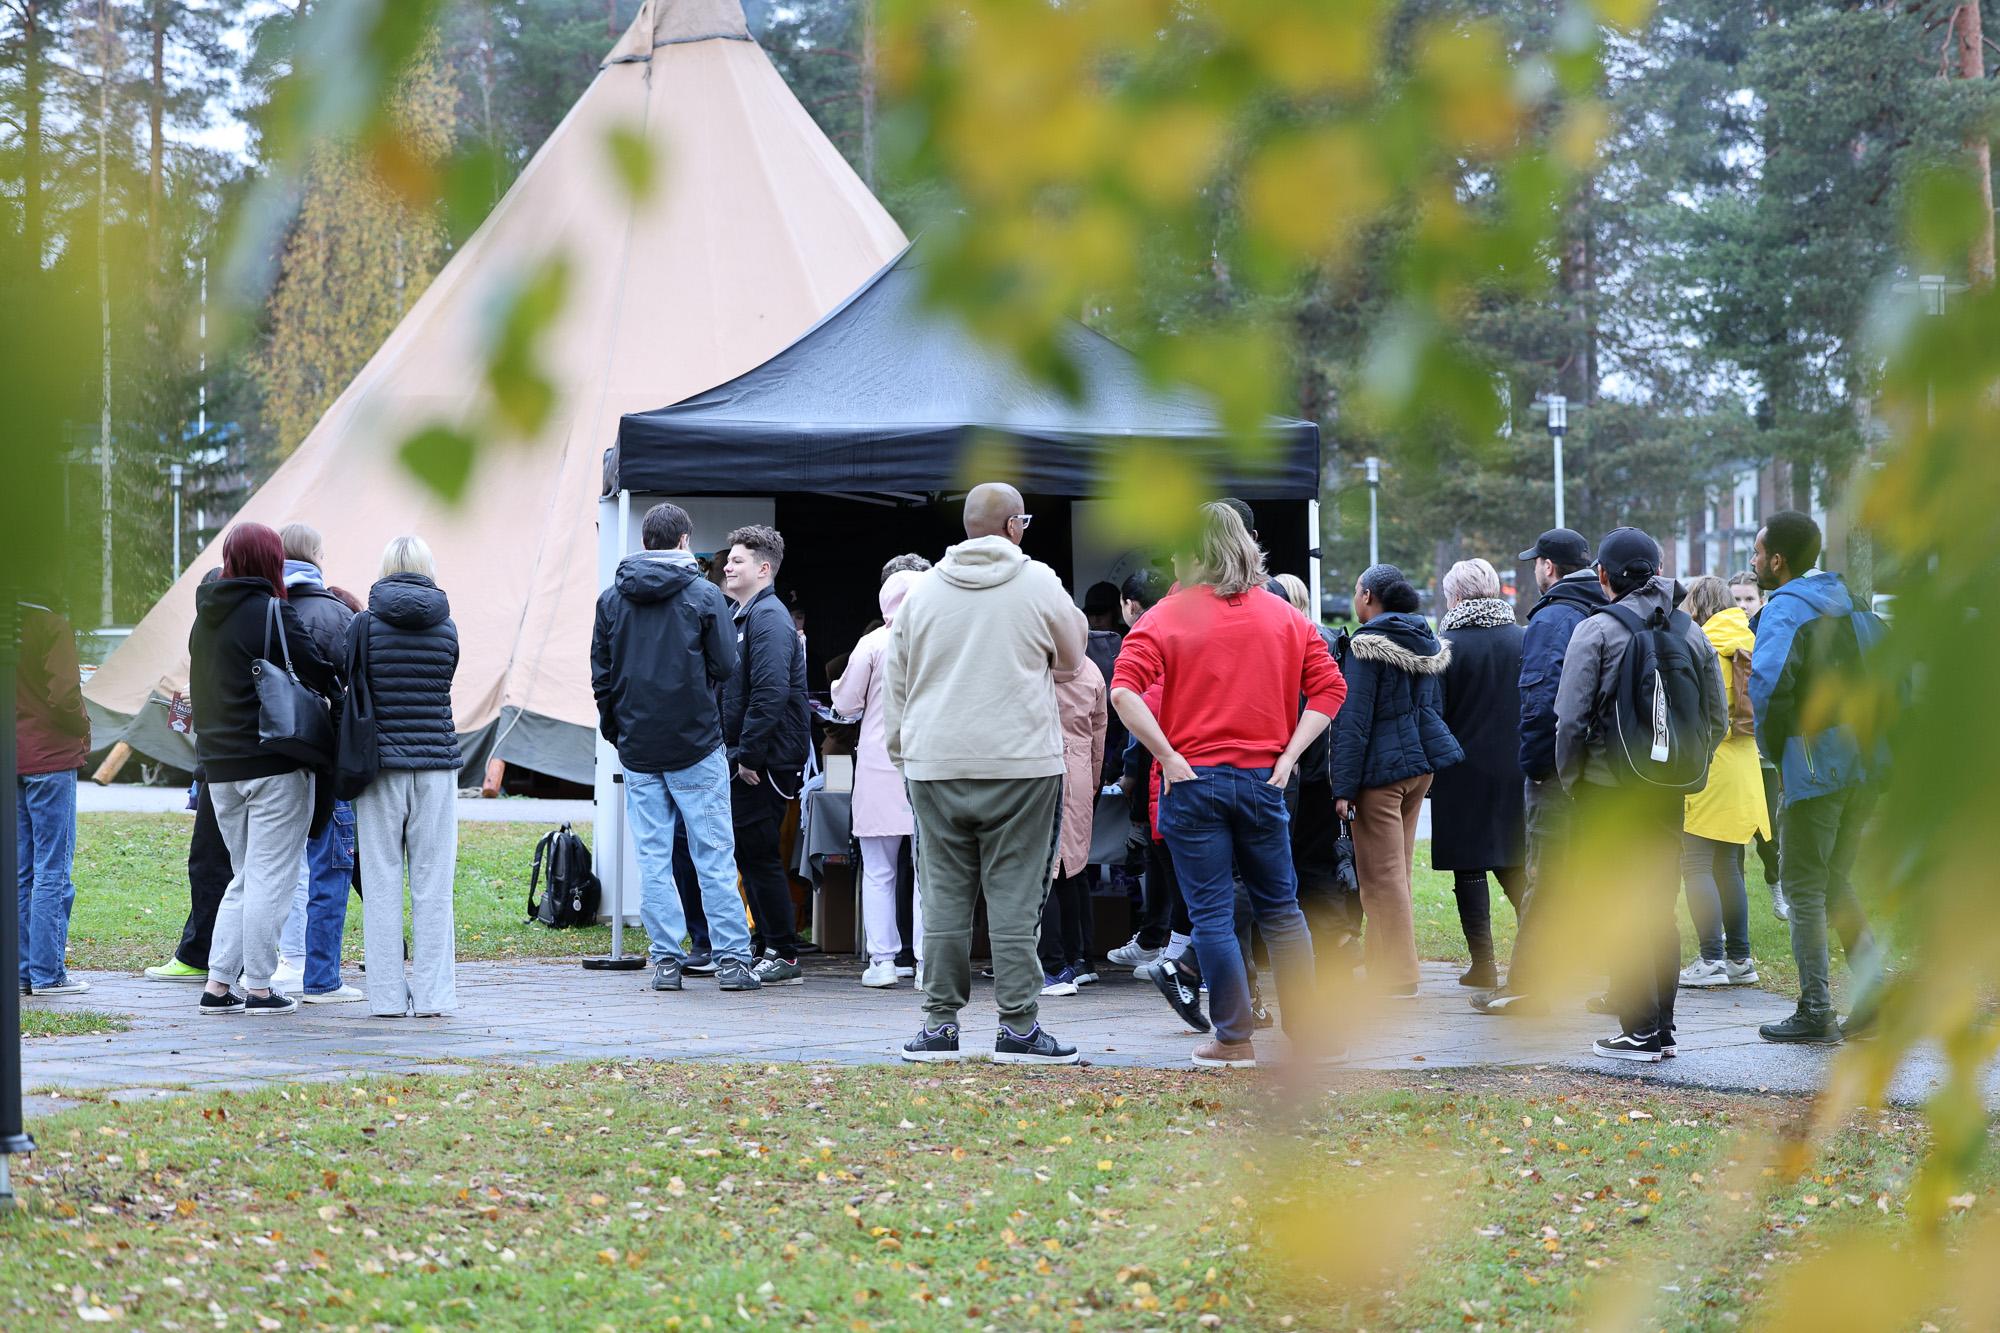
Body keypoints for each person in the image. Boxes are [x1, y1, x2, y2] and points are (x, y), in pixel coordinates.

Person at [1111, 502, 1346, 1067]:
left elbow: (1122, 691)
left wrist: (1166, 756)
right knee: (1283, 912)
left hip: (1193, 783)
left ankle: (1232, 1039)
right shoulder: (1286, 616)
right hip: (1265, 782)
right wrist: (1290, 755)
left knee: (1212, 916)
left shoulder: (1166, 616)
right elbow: (1330, 690)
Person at [884, 482, 1089, 1065]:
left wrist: (905, 753)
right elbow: (1074, 662)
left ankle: (938, 1027)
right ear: (1014, 526)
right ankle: (1019, 1029)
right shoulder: (1039, 580)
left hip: (936, 764)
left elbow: (896, 683)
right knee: (1017, 897)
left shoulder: (921, 593)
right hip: (1022, 764)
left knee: (943, 896)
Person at [1554, 527, 1725, 1062]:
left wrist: (1574, 781)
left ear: (1603, 576)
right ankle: (1663, 1026)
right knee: (1658, 906)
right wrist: (1683, 767)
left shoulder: (1597, 630)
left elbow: (1568, 720)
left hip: (1609, 791)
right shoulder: (1692, 631)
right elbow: (1715, 719)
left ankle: (1637, 1029)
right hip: (1667, 791)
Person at [592, 502, 760, 993]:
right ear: (685, 540)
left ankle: (666, 961)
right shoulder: (706, 596)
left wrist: (618, 732)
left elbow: (601, 675)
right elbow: (727, 666)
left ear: (646, 541)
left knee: (653, 856)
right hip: (696, 744)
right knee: (713, 854)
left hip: (639, 747)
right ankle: (731, 960)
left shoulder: (611, 600)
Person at [189, 522, 341, 1017]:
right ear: (271, 562)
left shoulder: (203, 618)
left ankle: (217, 985)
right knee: (270, 879)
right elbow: (318, 670)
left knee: (244, 876)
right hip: (275, 765)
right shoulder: (273, 612)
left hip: (221, 771)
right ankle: (258, 986)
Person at [1748, 510, 1886, 1044]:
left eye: (1759, 553)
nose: (1755, 562)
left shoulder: (1784, 608)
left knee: (1803, 886)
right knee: (1833, 881)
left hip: (1813, 764)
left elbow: (1766, 684)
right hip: (1865, 763)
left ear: (1777, 560)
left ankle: (1814, 1010)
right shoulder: (1852, 602)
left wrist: (1775, 752)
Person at [1471, 529, 1606, 1017]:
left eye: (1536, 563)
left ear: (1548, 567)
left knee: (1546, 877)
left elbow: (1541, 698)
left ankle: (1528, 986)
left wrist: (1536, 765)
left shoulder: (1554, 615)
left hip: (1558, 771)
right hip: (1605, 772)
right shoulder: (1610, 607)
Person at [1331, 564, 1464, 998]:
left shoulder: (1367, 644)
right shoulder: (1423, 637)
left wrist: (1343, 789)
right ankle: (1381, 964)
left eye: (1355, 591)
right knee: (1396, 871)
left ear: (1368, 595)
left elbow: (1353, 722)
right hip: (1418, 770)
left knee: (1379, 876)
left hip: (1379, 775)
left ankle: (1400, 975)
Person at [345, 537, 462, 1018]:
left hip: (379, 768)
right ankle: (435, 996)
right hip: (436, 765)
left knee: (381, 881)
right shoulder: (447, 625)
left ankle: (388, 998)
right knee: (434, 884)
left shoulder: (364, 625)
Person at [273, 522, 363, 1003]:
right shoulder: (335, 613)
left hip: (271, 753)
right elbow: (354, 690)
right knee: (329, 864)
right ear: (317, 556)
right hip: (326, 756)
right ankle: (321, 976)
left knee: (276, 865)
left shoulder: (263, 609)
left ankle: (274, 968)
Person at [719, 525, 812, 986]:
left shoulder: (769, 618)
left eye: (737, 560)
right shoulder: (747, 615)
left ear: (763, 568)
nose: (727, 567)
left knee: (759, 854)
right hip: (752, 755)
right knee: (750, 853)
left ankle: (783, 951)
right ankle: (766, 943)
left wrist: (749, 756)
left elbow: (771, 692)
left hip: (766, 761)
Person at [1429, 558, 1526, 990]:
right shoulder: (1523, 640)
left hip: (1461, 767)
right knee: (1517, 861)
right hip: (1517, 765)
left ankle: (1483, 963)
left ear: (1457, 596)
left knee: (1468, 866)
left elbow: (1433, 713)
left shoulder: (1444, 645)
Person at [830, 569, 927, 988]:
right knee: (931, 876)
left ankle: (883, 962)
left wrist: (837, 687)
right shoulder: (940, 638)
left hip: (877, 765)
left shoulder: (871, 643)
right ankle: (929, 965)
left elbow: (846, 704)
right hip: (930, 766)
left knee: (878, 870)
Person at [1676, 575, 1767, 988]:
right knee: (1729, 866)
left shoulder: (1704, 645)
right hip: (1745, 766)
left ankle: (1711, 958)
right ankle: (1739, 960)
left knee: (1695, 862)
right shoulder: (1749, 637)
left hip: (1711, 764)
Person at [1272, 573, 1352, 962]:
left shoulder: (1292, 640)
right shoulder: (1333, 638)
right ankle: (1337, 939)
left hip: (1296, 769)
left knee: (1292, 858)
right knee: (1320, 857)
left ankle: (1302, 947)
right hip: (1326, 770)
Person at [1105, 568, 1182, 970]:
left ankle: (1177, 953)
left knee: (1172, 862)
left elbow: (1135, 705)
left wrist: (1133, 771)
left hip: (1168, 769)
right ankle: (1170, 946)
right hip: (1183, 767)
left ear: (1131, 605)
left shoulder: (1148, 639)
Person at [16, 590, 90, 996]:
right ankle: (48, 973)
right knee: (52, 868)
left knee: (22, 869)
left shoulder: (10, 626)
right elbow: (64, 692)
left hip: (14, 754)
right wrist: (82, 726)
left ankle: (24, 971)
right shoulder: (51, 625)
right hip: (50, 757)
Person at [1040, 653, 1106, 995]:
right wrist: (1093, 780)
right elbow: (1099, 732)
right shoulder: (1091, 668)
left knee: (1040, 871)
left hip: (1038, 765)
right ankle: (1080, 959)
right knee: (1074, 866)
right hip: (1079, 769)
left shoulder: (1032, 662)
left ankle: (1051, 964)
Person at [1729, 568, 1788, 921]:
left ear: (1761, 600)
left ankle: (1777, 885)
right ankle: (1731, 909)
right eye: (1736, 599)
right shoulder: (1717, 636)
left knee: (1767, 827)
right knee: (1731, 832)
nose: (1743, 605)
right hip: (1735, 749)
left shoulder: (1770, 634)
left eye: (1749, 598)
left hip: (1763, 753)